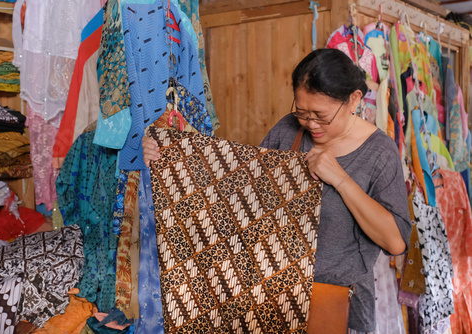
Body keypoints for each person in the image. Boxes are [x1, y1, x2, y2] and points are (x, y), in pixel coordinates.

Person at [143, 48, 412, 333]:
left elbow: (395, 242)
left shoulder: (379, 151)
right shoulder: (288, 131)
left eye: (320, 115)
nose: (310, 124)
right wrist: (168, 158)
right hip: (270, 302)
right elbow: (238, 197)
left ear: (353, 100)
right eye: (302, 112)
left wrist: (341, 180)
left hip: (333, 307)